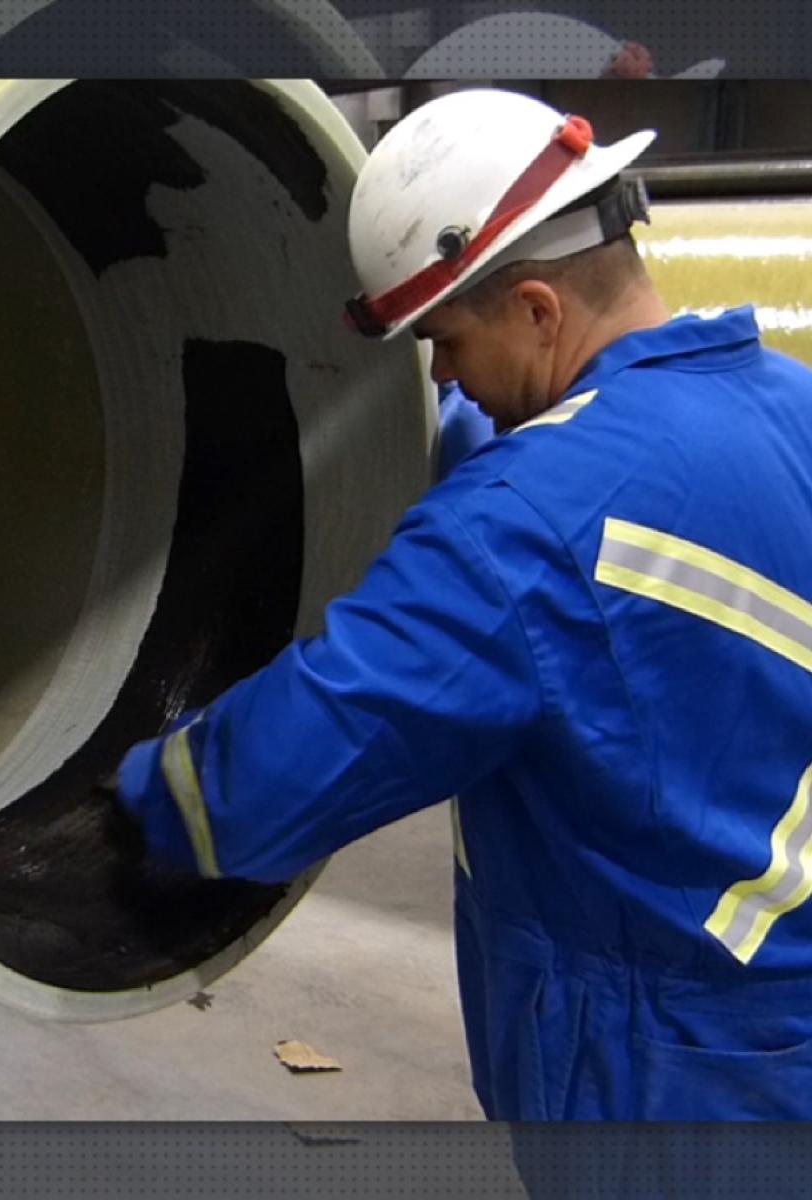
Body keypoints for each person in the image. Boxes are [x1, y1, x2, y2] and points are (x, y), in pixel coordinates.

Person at [113, 87, 812, 1120]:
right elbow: (610, 510)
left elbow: (286, 773)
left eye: (445, 340)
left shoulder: (518, 528)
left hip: (681, 1081)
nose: (442, 375)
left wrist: (140, 792)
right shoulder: (785, 406)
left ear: (536, 308)